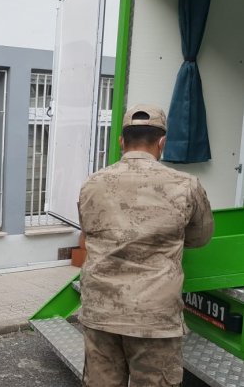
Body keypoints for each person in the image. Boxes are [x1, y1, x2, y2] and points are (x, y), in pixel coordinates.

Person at [78, 104, 214, 387]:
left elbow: (90, 231)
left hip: (101, 310)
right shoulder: (185, 184)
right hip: (154, 317)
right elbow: (200, 237)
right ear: (162, 142)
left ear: (121, 141)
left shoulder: (92, 183)